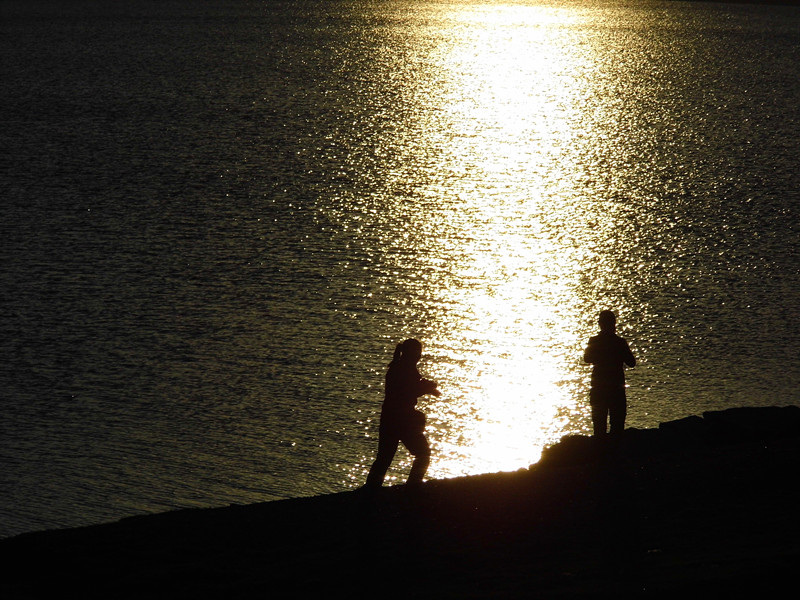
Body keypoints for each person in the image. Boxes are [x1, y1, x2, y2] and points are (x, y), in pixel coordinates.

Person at [364, 339, 440, 490]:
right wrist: (427, 388)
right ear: (414, 354)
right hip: (403, 419)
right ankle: (413, 485)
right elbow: (409, 390)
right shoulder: (405, 369)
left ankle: (371, 489)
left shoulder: (399, 368)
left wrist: (428, 388)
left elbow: (412, 386)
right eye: (418, 352)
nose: (419, 356)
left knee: (384, 458)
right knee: (423, 453)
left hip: (389, 418)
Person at [583, 310, 636, 437]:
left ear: (600, 324)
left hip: (599, 388)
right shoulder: (620, 342)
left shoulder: (594, 341)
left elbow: (587, 358)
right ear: (614, 324)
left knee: (599, 426)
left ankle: (600, 453)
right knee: (617, 426)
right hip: (616, 389)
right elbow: (631, 362)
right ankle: (613, 452)